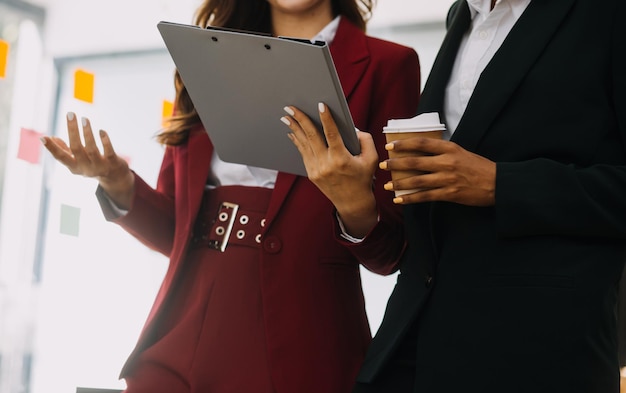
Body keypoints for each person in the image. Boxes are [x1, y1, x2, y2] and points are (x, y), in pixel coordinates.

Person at [41, 0, 420, 392]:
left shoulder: (389, 65)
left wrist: (353, 201)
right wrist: (118, 182)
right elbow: (176, 233)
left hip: (299, 340)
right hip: (176, 337)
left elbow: (391, 252)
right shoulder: (203, 58)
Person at [282, 0, 626, 391]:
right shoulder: (462, 14)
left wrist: (500, 184)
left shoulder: (607, 13)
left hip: (536, 355)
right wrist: (357, 196)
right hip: (415, 343)